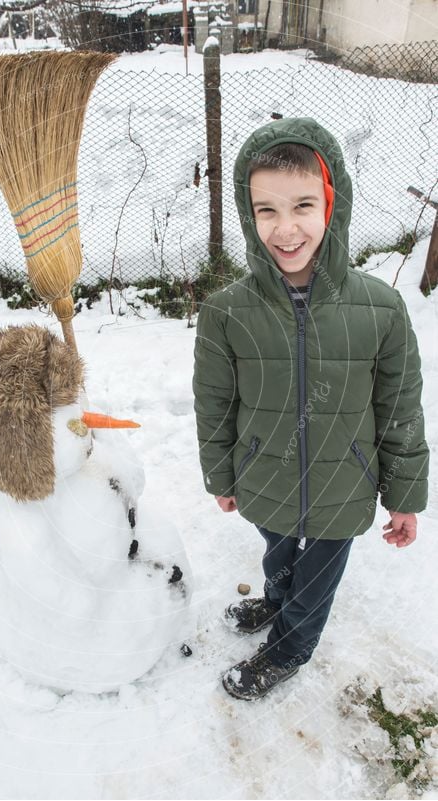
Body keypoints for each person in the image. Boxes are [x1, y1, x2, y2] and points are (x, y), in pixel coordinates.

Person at [192, 117, 429, 701]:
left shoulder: (380, 309)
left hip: (344, 483)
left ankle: (290, 648)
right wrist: (222, 473)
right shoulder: (227, 313)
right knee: (276, 550)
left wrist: (403, 496)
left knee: (317, 578)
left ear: (332, 206)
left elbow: (400, 408)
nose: (286, 228)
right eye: (267, 210)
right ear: (250, 218)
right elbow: (215, 404)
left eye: (303, 205)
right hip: (265, 473)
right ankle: (274, 600)